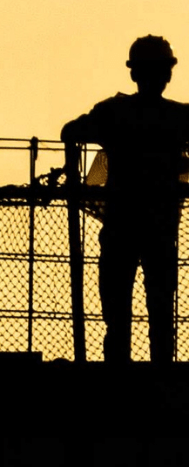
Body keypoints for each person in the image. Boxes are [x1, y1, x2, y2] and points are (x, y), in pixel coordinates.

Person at [60, 35, 189, 362]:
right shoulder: (179, 118)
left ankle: (118, 370)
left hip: (121, 225)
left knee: (117, 308)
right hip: (159, 227)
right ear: (168, 73)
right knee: (160, 307)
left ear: (134, 73)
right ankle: (161, 371)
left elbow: (71, 131)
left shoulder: (113, 113)